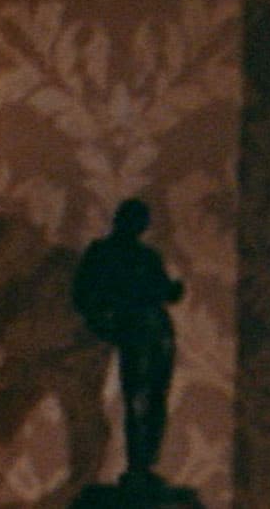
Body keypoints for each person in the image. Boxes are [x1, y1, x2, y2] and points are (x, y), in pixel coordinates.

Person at [72, 198, 184, 494]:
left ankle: (145, 464)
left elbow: (163, 290)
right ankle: (137, 466)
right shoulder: (102, 253)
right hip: (133, 330)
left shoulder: (147, 256)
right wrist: (104, 324)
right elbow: (83, 295)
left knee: (156, 398)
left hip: (157, 329)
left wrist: (172, 291)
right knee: (137, 397)